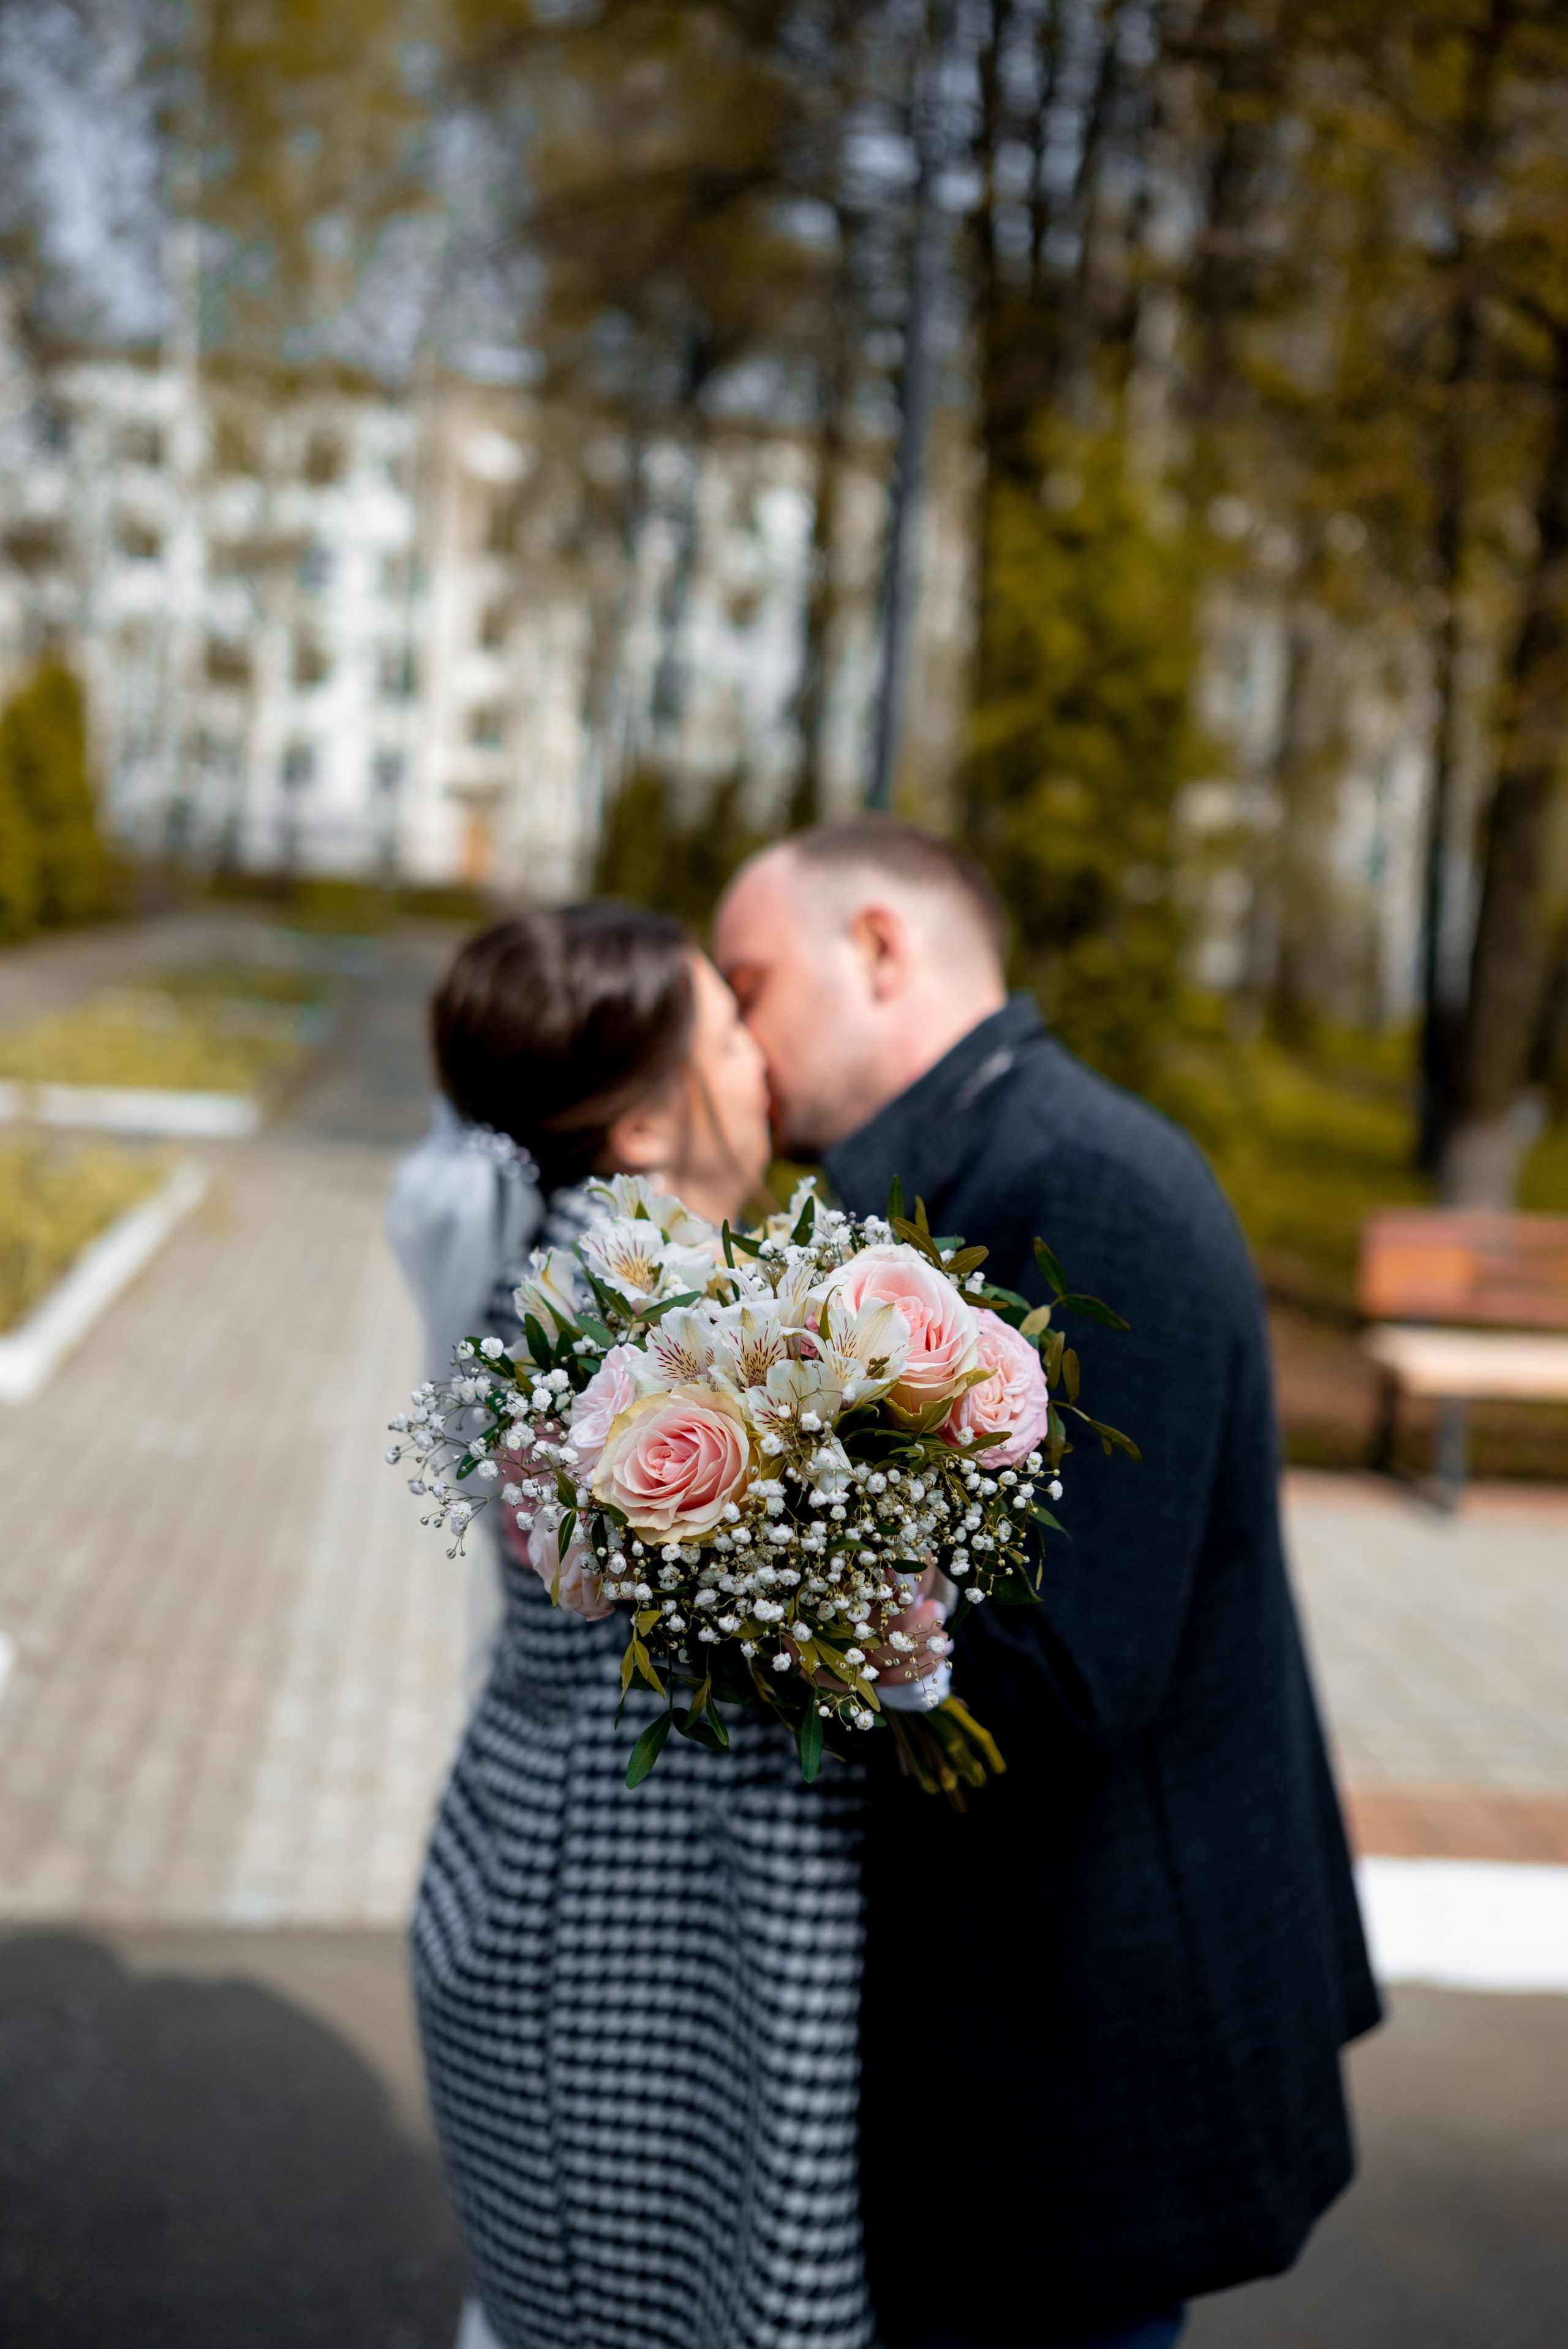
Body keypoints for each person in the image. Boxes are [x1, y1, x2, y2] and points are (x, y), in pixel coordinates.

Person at [713, 819, 1380, 2349]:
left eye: (746, 987)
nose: (737, 1043)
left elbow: (1067, 1670)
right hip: (1015, 2030)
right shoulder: (971, 1168)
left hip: (1078, 2050)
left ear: (876, 949)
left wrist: (759, 1582)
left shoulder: (1082, 1186)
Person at [408, 902, 919, 2349]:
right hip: (644, 1936)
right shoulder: (645, 1312)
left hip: (560, 1869)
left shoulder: (571, 1268)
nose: (762, 1056)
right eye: (727, 1027)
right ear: (639, 1125)